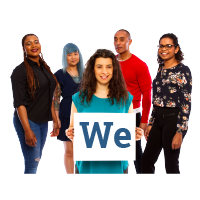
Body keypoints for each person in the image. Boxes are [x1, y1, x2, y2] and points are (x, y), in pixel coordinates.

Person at [66, 48, 144, 174]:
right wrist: (71, 134)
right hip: (87, 167)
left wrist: (135, 135)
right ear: (93, 69)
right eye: (99, 66)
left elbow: (128, 133)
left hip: (117, 168)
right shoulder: (79, 98)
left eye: (108, 66)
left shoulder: (126, 98)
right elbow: (74, 131)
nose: (104, 71)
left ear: (114, 69)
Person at [141, 33, 192, 174]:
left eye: (168, 46)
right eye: (161, 46)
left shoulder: (183, 70)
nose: (164, 49)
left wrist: (180, 132)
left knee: (170, 164)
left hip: (173, 120)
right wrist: (151, 123)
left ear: (176, 49)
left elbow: (186, 102)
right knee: (146, 160)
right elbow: (156, 99)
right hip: (158, 119)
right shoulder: (160, 68)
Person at [11, 33, 59, 174]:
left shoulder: (44, 67)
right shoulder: (19, 71)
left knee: (37, 159)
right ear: (23, 48)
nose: (33, 45)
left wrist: (55, 120)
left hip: (43, 121)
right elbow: (19, 103)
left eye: (36, 42)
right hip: (28, 119)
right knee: (32, 162)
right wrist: (27, 129)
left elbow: (48, 96)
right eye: (29, 43)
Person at [114, 29, 152, 174]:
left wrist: (144, 120)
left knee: (135, 151)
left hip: (133, 114)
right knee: (116, 151)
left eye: (122, 39)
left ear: (129, 42)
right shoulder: (110, 63)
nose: (118, 43)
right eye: (115, 39)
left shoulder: (139, 65)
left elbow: (147, 94)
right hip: (114, 112)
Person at [53, 43, 84, 174]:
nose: (73, 57)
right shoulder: (59, 74)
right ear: (64, 57)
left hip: (84, 113)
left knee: (83, 150)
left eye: (75, 54)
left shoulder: (87, 72)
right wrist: (56, 120)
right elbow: (56, 99)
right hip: (66, 114)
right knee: (70, 150)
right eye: (69, 54)